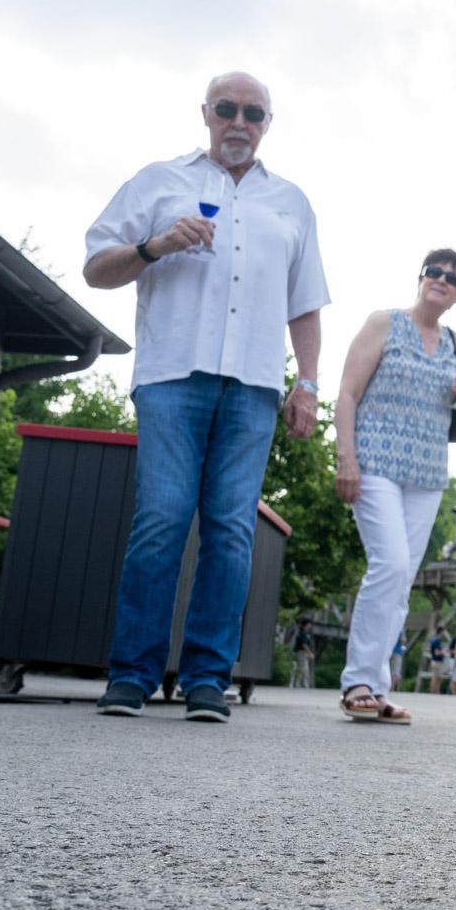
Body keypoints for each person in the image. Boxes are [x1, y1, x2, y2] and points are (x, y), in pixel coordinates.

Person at [87, 71, 329, 723]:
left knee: (230, 531)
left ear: (267, 123)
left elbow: (304, 305)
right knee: (162, 519)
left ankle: (204, 679)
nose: (239, 121)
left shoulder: (292, 202)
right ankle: (132, 676)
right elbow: (95, 267)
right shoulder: (160, 181)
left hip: (253, 385)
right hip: (172, 374)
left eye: (254, 112)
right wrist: (156, 244)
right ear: (206, 113)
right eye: (228, 109)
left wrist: (307, 383)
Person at [333, 250, 456, 724]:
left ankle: (376, 686)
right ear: (420, 278)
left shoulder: (455, 342)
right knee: (390, 564)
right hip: (374, 464)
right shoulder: (384, 323)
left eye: (452, 279)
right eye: (434, 272)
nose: (441, 280)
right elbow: (348, 393)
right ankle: (357, 680)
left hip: (427, 473)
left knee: (401, 582)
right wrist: (345, 457)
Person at [289, 618, 317, 689]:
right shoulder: (303, 633)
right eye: (310, 624)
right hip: (301, 652)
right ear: (306, 625)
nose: (311, 626)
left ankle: (298, 683)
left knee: (301, 668)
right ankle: (302, 684)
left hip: (303, 652)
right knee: (303, 668)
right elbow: (304, 644)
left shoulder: (306, 633)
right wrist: (310, 653)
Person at [421, 626, 449, 696]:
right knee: (435, 677)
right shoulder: (437, 641)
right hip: (437, 661)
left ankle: (436, 692)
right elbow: (436, 652)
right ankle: (433, 692)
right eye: (443, 632)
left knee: (438, 677)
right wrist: (443, 652)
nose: (444, 634)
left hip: (435, 661)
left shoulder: (434, 640)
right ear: (440, 632)